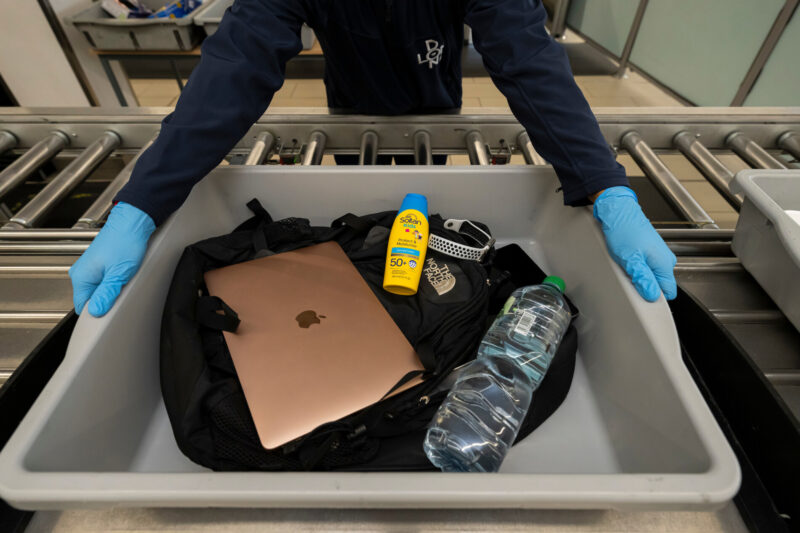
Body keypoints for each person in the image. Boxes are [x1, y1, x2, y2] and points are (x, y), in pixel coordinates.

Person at [69, 0, 677, 317]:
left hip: (434, 98)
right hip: (351, 100)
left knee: (424, 199)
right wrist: (140, 204)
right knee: (364, 212)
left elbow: (526, 58)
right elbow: (235, 67)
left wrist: (606, 187)